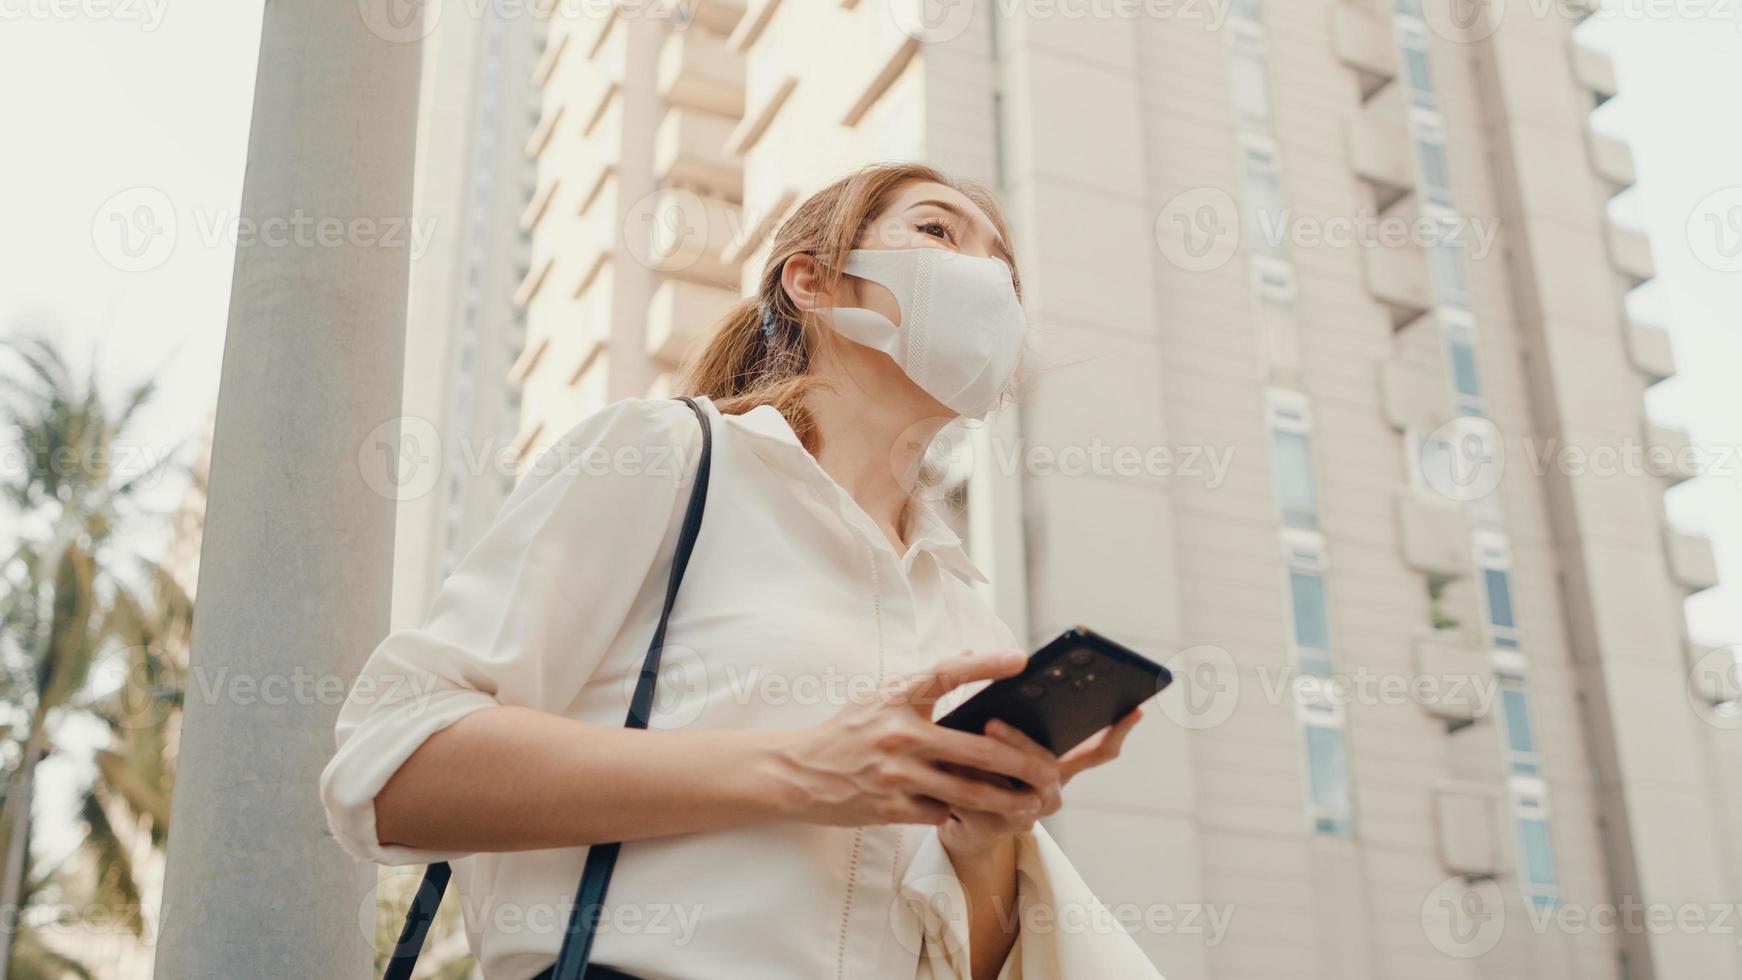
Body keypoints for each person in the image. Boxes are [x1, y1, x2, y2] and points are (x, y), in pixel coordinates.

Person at [320, 163, 1164, 980]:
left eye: (1005, 271)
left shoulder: (972, 621)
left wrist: (980, 841)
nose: (985, 277)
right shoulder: (669, 459)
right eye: (938, 230)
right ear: (814, 282)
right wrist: (806, 769)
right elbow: (393, 765)